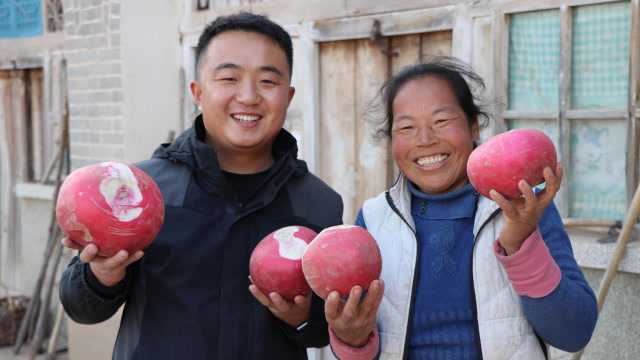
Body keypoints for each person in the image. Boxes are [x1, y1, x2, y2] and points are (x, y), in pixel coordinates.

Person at [59, 12, 343, 360]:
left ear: (289, 95)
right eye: (228, 78)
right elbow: (82, 308)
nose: (249, 96)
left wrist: (302, 319)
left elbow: (321, 329)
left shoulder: (318, 204)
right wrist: (100, 275)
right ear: (198, 91)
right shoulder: (139, 194)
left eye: (268, 82)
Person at [327, 58, 598, 360]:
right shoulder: (375, 220)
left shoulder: (522, 209)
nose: (425, 140)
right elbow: (363, 343)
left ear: (473, 126)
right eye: (406, 127)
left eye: (441, 121)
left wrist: (520, 243)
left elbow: (575, 332)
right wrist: (351, 339)